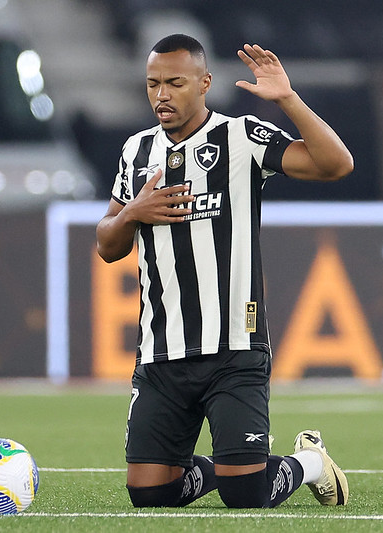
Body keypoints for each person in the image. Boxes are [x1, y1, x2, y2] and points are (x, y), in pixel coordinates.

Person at [96, 34, 354, 509]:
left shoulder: (241, 136)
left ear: (204, 83)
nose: (161, 95)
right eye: (153, 83)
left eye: (174, 82)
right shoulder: (136, 152)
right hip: (161, 351)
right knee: (150, 494)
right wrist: (133, 212)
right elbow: (107, 245)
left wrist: (288, 100)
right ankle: (238, 462)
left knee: (246, 495)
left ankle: (310, 462)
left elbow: (336, 164)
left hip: (234, 345)